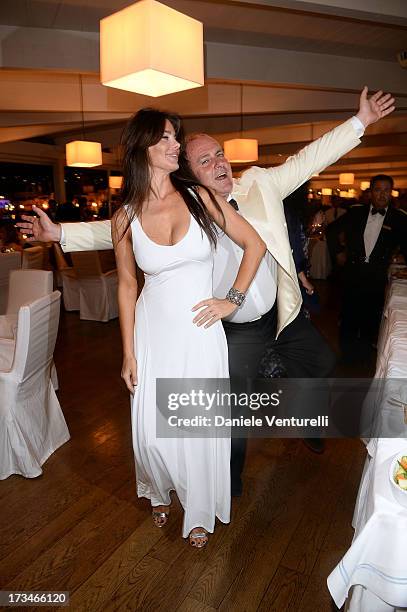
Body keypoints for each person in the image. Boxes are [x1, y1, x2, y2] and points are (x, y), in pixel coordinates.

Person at [18, 87, 395, 492]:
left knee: (321, 362)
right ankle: (227, 482)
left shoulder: (260, 184)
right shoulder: (185, 206)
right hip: (233, 330)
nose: (219, 163)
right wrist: (59, 232)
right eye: (205, 160)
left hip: (279, 315)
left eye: (220, 154)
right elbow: (120, 228)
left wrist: (361, 122)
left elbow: (309, 158)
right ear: (189, 173)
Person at [327, 174, 407, 362]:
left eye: (386, 190)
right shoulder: (356, 212)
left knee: (371, 316)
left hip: (377, 275)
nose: (382, 195)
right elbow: (331, 231)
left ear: (391, 193)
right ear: (371, 192)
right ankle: (346, 354)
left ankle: (363, 356)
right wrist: (338, 252)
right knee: (348, 314)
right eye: (378, 190)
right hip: (353, 272)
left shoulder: (399, 219)